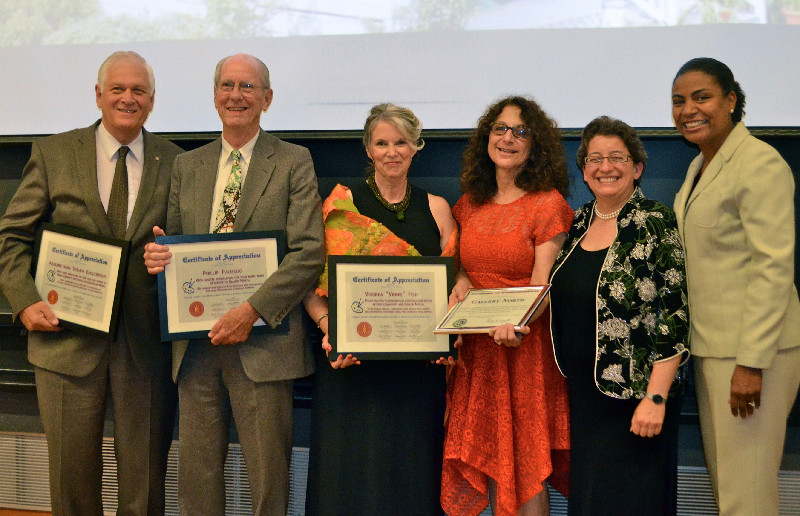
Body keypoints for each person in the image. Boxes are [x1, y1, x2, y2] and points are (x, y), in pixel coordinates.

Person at [0, 51, 181, 515]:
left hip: (144, 347)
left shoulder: (177, 163)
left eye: (138, 90)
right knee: (71, 482)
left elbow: (184, 247)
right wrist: (23, 302)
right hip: (65, 340)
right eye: (117, 89)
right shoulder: (54, 153)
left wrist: (171, 255)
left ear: (153, 100)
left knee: (144, 486)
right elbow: (12, 236)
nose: (128, 98)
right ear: (98, 95)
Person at [142, 53, 325, 515]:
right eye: (227, 85)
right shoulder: (189, 166)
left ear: (266, 98)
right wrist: (161, 256)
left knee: (268, 477)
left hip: (263, 343)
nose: (236, 95)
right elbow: (176, 245)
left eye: (247, 87)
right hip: (197, 343)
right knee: (197, 476)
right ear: (215, 95)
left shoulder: (293, 161)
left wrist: (251, 311)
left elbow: (308, 252)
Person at [302, 103, 457, 515]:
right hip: (351, 369)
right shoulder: (339, 206)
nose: (392, 151)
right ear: (368, 150)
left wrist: (448, 334)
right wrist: (327, 325)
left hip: (417, 374)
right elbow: (308, 283)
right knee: (347, 483)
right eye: (382, 143)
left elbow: (457, 284)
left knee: (411, 481)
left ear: (416, 148)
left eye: (401, 142)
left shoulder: (438, 208)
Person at [671, 57, 800, 516]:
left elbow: (773, 267)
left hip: (750, 358)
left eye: (701, 97)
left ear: (731, 100)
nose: (689, 109)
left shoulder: (759, 162)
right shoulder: (700, 167)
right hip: (712, 351)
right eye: (679, 101)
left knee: (747, 497)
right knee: (730, 490)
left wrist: (751, 362)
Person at [549, 116, 690, 515]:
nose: (605, 167)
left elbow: (674, 313)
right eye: (595, 158)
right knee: (592, 502)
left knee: (633, 503)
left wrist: (656, 397)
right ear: (583, 169)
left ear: (637, 167)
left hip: (636, 399)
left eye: (617, 157)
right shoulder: (578, 222)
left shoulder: (654, 221)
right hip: (585, 394)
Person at [440, 95, 572, 516]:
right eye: (500, 129)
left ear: (537, 145)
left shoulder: (548, 204)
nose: (508, 138)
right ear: (486, 138)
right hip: (478, 352)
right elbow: (462, 269)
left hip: (523, 348)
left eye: (520, 131)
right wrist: (459, 284)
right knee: (492, 461)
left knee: (525, 463)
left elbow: (543, 285)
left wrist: (514, 325)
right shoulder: (468, 204)